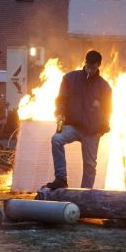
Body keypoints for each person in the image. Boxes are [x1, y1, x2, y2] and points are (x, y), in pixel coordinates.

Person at [46, 50, 112, 189]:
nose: (89, 70)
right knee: (56, 140)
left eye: (93, 68)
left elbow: (108, 110)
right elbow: (61, 100)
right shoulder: (70, 79)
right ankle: (61, 178)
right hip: (73, 126)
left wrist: (102, 129)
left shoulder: (104, 87)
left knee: (90, 165)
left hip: (92, 131)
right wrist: (59, 113)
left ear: (99, 66)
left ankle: (85, 193)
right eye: (88, 66)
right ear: (85, 62)